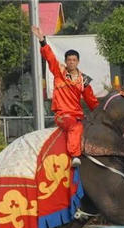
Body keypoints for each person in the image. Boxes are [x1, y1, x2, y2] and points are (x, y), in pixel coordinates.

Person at [31, 26, 99, 167]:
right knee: (75, 127)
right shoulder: (59, 72)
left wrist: (102, 114)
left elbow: (92, 101)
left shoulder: (84, 80)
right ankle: (75, 156)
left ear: (78, 61)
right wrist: (42, 41)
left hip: (78, 115)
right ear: (66, 61)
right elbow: (50, 58)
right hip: (63, 115)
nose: (71, 62)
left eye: (74, 60)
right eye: (69, 60)